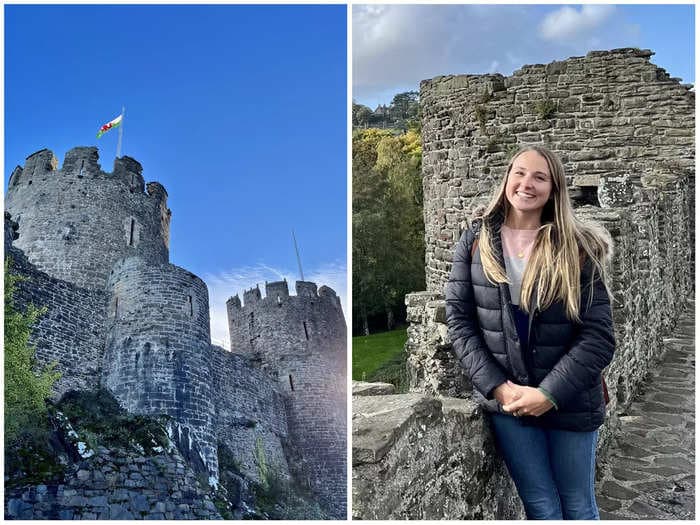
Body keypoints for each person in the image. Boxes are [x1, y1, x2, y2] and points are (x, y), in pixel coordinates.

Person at [445, 145, 615, 520]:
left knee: (578, 506)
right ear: (506, 178)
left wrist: (548, 394)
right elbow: (458, 320)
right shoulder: (476, 241)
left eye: (540, 177)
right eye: (519, 173)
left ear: (555, 189)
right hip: (509, 403)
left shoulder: (575, 247)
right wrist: (498, 387)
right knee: (539, 506)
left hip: (570, 399)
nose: (526, 183)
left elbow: (599, 335)